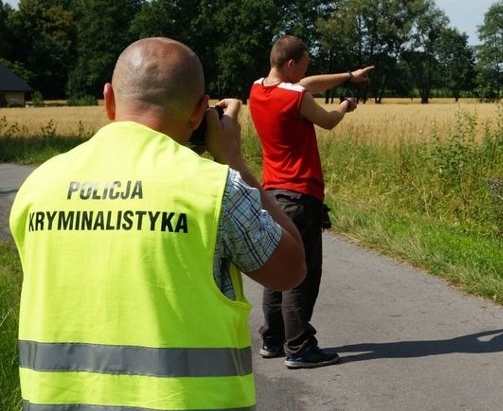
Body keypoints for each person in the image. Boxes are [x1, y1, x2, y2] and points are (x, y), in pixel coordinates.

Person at [9, 37, 306, 410]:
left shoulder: (39, 184)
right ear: (200, 112)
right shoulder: (213, 188)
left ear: (108, 99)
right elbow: (291, 270)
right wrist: (234, 162)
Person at [249, 34, 373, 368]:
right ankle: (299, 347)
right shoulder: (296, 97)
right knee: (302, 273)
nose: (306, 71)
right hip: (300, 195)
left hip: (272, 194)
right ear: (291, 64)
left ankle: (273, 340)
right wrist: (345, 106)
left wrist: (349, 75)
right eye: (304, 63)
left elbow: (305, 84)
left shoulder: (258, 88)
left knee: (277, 269)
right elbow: (329, 121)